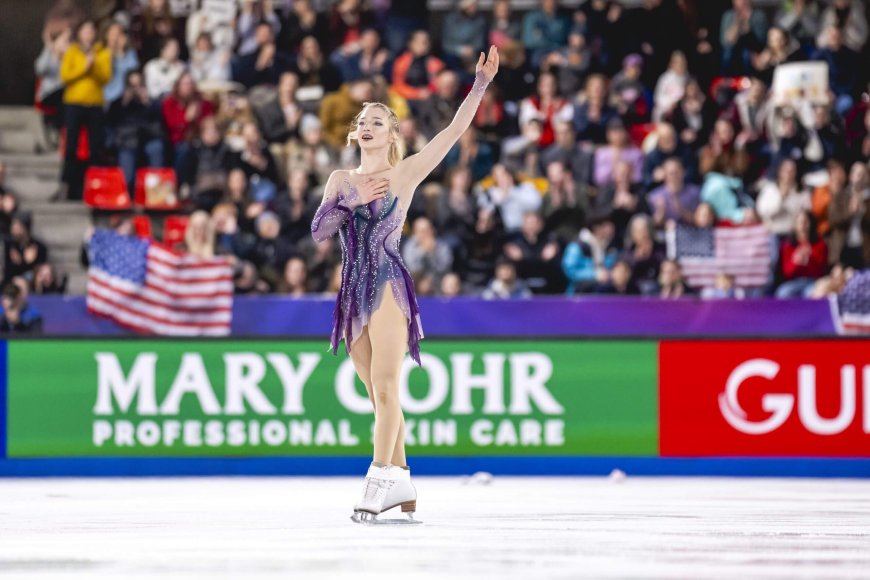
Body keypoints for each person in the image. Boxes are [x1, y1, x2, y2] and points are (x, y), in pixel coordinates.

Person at [310, 46, 499, 523]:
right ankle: (405, 478)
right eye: (364, 120)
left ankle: (379, 477)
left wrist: (478, 85)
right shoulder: (339, 179)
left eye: (379, 120)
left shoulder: (406, 172)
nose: (368, 125)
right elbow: (318, 232)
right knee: (377, 397)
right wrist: (350, 202)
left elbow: (454, 132)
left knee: (388, 387)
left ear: (393, 133)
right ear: (356, 133)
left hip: (389, 285)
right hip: (352, 291)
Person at [57, 19, 111, 201]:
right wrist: (84, 66)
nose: (88, 33)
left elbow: (106, 77)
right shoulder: (72, 51)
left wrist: (93, 66)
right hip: (74, 104)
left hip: (94, 105)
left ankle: (90, 187)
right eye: (85, 30)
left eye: (91, 30)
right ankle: (68, 187)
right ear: (79, 33)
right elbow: (65, 76)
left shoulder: (102, 52)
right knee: (71, 147)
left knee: (94, 148)